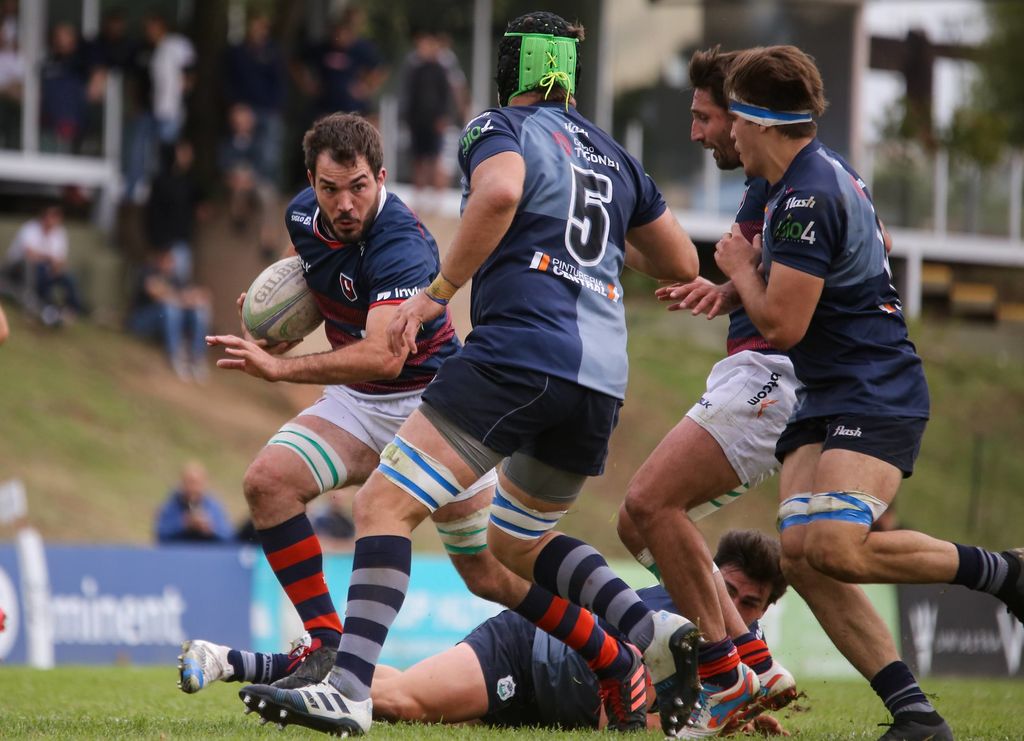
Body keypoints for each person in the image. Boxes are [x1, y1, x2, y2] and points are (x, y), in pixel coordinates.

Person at [235, 13, 703, 737]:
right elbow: (681, 263)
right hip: (601, 375)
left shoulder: (497, 130)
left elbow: (499, 195)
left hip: (508, 359)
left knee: (382, 508)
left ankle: (348, 685)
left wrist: (440, 292)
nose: (344, 200)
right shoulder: (612, 155)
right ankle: (641, 629)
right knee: (516, 546)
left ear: (509, 69)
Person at [713, 44, 1024, 741]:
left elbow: (784, 323)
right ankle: (915, 715)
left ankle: (1004, 572)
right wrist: (730, 281)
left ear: (760, 122)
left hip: (874, 388)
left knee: (836, 547)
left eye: (733, 117)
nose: (728, 133)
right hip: (830, 391)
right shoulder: (809, 176)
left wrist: (737, 264)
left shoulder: (806, 197)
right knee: (799, 554)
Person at [616, 46, 800, 737]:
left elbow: (787, 294)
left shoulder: (796, 183)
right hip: (751, 373)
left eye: (704, 117)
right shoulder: (767, 185)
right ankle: (752, 661)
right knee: (639, 523)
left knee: (648, 503)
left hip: (770, 378)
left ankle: (727, 679)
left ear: (743, 116)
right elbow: (756, 270)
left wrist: (733, 275)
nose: (696, 132)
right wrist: (725, 288)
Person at [179, 530, 790, 736]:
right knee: (400, 703)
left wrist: (733, 720)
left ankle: (240, 660)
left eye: (748, 603)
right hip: (528, 656)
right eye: (726, 589)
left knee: (380, 682)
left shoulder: (732, 674)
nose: (732, 606)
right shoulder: (680, 625)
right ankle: (264, 674)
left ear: (761, 615)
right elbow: (632, 718)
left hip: (545, 704)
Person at [127, 248, 211, 381]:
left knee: (199, 311)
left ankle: (196, 357)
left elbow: (198, 296)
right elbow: (155, 291)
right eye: (169, 260)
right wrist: (182, 298)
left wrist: (189, 298)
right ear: (160, 259)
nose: (172, 264)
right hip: (141, 321)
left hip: (163, 322)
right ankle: (175, 355)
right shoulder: (148, 271)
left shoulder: (175, 278)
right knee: (171, 308)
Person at [399, 29, 456, 211]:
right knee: (418, 159)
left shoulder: (441, 70)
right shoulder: (414, 70)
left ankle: (438, 199)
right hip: (417, 122)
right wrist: (407, 118)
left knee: (435, 158)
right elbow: (409, 96)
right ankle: (419, 197)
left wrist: (444, 117)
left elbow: (446, 96)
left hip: (435, 122)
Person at [3, 203, 85, 324]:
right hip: (16, 267)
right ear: (44, 216)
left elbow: (60, 260)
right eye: (51, 216)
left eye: (56, 217)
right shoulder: (30, 228)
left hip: (44, 270)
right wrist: (49, 258)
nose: (53, 220)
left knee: (68, 277)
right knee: (37, 269)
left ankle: (71, 310)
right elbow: (29, 254)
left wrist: (55, 266)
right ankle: (35, 305)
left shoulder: (60, 232)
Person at [155, 461, 234, 543]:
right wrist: (185, 524)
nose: (193, 488)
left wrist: (210, 529)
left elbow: (228, 537)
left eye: (197, 483)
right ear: (181, 483)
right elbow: (160, 535)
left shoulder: (214, 507)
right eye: (189, 482)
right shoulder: (170, 506)